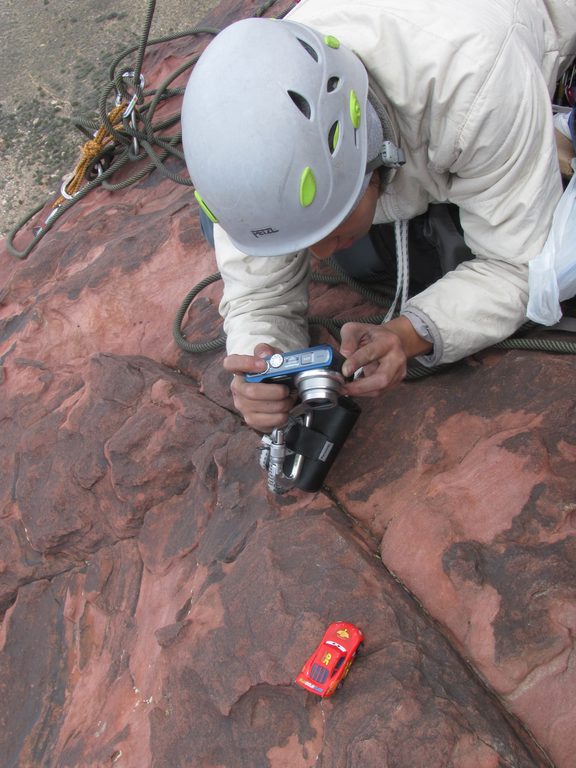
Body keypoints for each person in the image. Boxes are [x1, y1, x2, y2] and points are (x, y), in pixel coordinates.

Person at [181, 0, 576, 432]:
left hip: (501, 59)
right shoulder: (256, 116)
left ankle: (547, 135)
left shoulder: (474, 86)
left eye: (329, 225)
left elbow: (517, 265)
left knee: (394, 258)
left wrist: (411, 333)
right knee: (345, 250)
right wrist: (262, 360)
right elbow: (258, 292)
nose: (318, 252)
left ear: (368, 154)